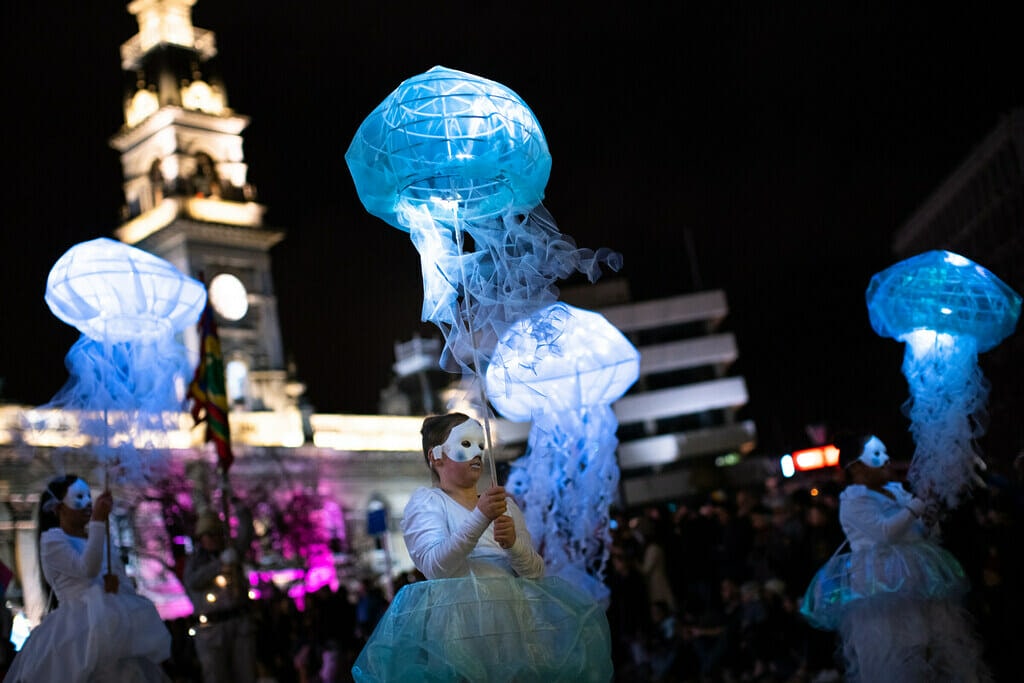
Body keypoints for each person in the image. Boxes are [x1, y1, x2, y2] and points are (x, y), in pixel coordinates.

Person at [352, 412, 612, 682]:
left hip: (513, 627)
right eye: (465, 444)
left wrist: (513, 544)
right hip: (460, 632)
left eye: (480, 446)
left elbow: (535, 572)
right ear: (436, 456)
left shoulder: (505, 506)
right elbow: (435, 565)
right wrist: (480, 517)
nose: (477, 453)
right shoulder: (428, 503)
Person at [800, 434, 991, 682]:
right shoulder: (853, 500)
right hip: (881, 588)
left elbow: (921, 531)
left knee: (935, 643)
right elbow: (884, 532)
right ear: (857, 466)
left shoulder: (897, 492)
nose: (887, 460)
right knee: (899, 649)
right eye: (877, 455)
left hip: (918, 580)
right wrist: (919, 505)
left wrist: (929, 516)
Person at [3, 474, 171, 682]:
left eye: (88, 497)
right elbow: (86, 569)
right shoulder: (53, 540)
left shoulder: (98, 537)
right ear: (58, 507)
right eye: (78, 497)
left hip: (112, 621)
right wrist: (98, 522)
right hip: (77, 628)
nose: (87, 504)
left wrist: (117, 585)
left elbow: (116, 572)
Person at [183, 502, 256, 683]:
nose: (213, 538)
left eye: (216, 533)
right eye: (209, 534)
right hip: (211, 631)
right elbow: (193, 581)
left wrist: (239, 506)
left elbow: (246, 536)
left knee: (246, 674)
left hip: (239, 625)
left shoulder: (232, 553)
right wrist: (218, 565)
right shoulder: (195, 562)